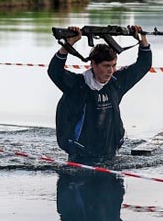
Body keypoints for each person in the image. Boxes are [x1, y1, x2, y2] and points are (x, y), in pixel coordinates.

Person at [48, 25, 152, 163]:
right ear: (93, 64)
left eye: (114, 65)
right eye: (106, 66)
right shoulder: (77, 85)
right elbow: (54, 71)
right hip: (80, 157)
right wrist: (68, 45)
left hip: (110, 154)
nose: (111, 71)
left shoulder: (117, 83)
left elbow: (143, 65)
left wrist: (142, 39)